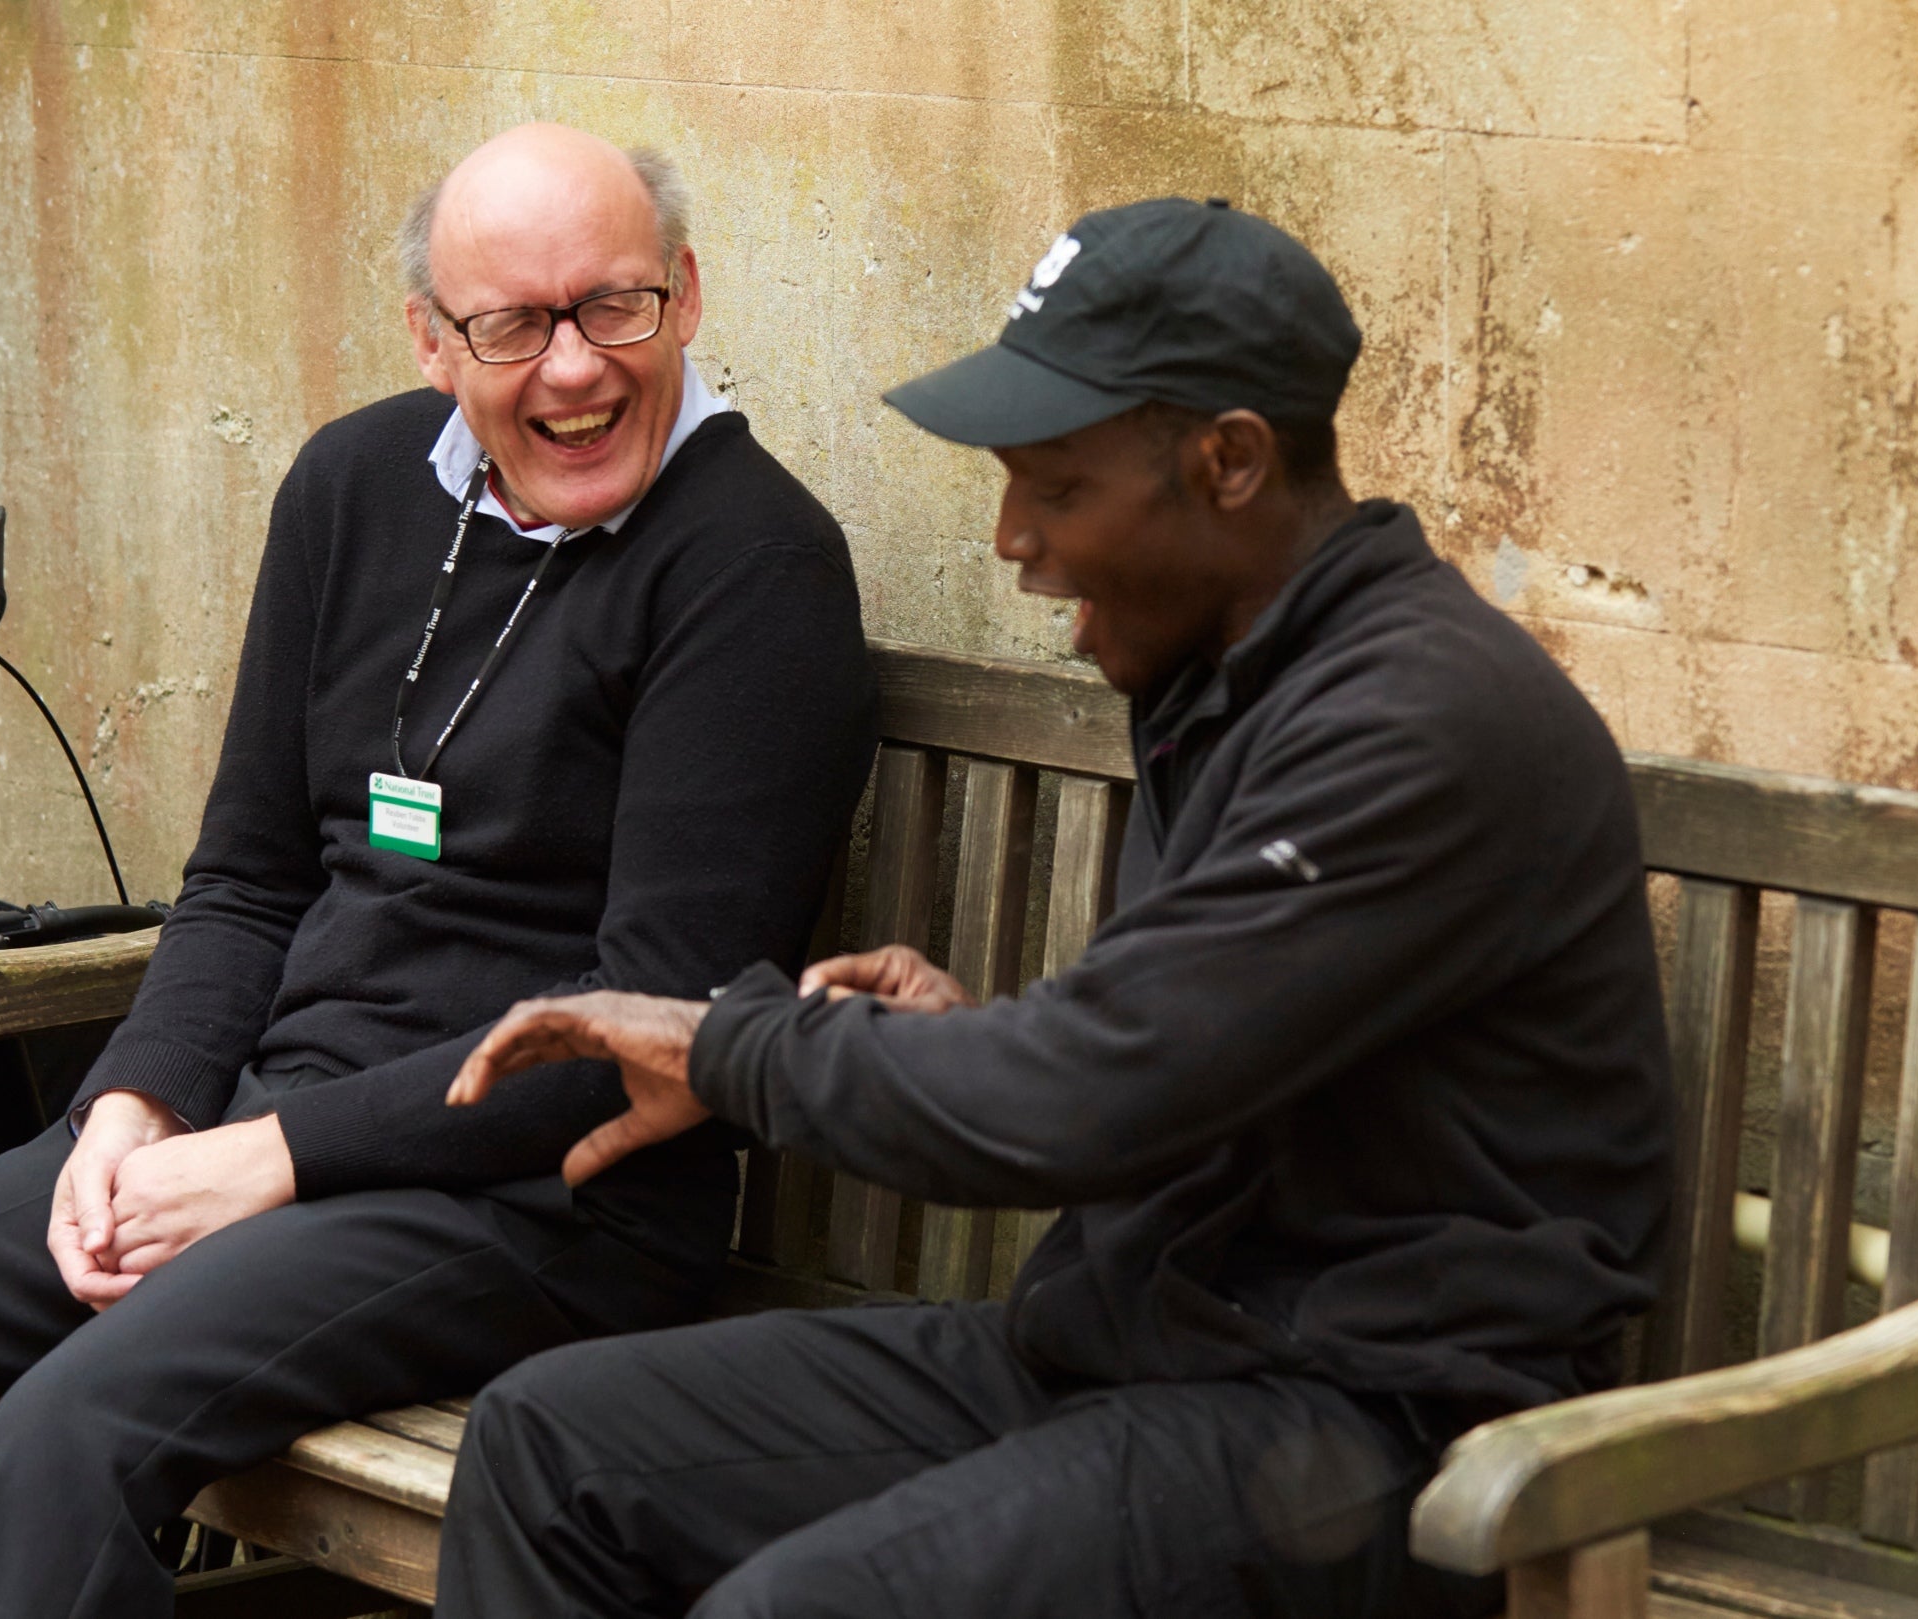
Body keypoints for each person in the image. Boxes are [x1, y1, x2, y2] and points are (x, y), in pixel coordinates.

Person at [0, 123, 877, 1619]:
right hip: (261, 1129)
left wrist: (267, 1163)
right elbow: (248, 880)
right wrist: (132, 1105)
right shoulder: (352, 488)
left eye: (614, 305)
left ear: (689, 296)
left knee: (73, 1428)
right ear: (432, 338)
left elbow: (642, 1029)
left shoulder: (753, 562)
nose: (576, 367)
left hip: (540, 1203)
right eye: (513, 325)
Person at [431, 197, 1673, 1618]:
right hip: (1150, 1353)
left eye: (1059, 487)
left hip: (1379, 1436)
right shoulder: (1237, 679)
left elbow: (1086, 1098)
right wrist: (977, 1039)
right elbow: (1174, 1055)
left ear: (1230, 463)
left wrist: (721, 1045)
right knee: (550, 1445)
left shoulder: (1415, 724)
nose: (1015, 537)